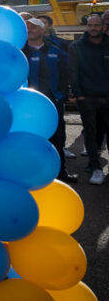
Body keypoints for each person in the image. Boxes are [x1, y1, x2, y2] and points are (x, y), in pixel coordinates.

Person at [22, 17, 77, 183]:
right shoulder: (19, 53)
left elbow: (67, 73)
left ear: (43, 30)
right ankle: (31, 172)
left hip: (53, 102)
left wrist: (62, 95)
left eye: (34, 27)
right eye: (28, 27)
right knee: (30, 139)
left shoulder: (56, 51)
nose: (30, 29)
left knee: (57, 137)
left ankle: (61, 173)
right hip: (28, 104)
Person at [69, 12, 109, 185]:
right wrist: (79, 95)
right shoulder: (77, 46)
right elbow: (73, 73)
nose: (93, 29)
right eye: (90, 26)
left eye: (97, 25)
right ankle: (95, 167)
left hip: (108, 98)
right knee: (91, 135)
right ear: (87, 27)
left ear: (103, 27)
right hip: (88, 99)